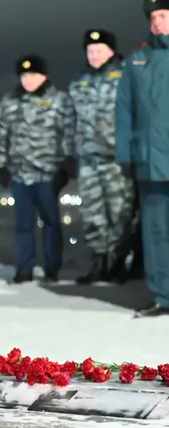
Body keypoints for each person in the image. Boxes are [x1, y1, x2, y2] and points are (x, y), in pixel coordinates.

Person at [0, 56, 72, 284]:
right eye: (24, 75)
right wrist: (0, 164)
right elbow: (0, 135)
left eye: (33, 75)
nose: (28, 80)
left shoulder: (58, 100)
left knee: (51, 223)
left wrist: (66, 164)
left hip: (48, 172)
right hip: (20, 173)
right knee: (23, 225)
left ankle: (52, 268)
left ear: (44, 76)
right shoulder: (9, 102)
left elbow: (67, 132)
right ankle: (24, 268)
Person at [66, 29, 134, 285]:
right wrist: (69, 153)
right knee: (92, 213)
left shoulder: (126, 76)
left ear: (111, 51)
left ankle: (119, 263)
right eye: (90, 50)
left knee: (120, 213)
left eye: (99, 50)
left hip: (116, 157)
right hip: (88, 158)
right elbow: (70, 120)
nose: (94, 55)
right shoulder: (79, 81)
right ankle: (99, 263)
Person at [116, 0, 169, 318]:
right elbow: (124, 111)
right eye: (152, 17)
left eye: (163, 15)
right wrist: (126, 154)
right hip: (150, 161)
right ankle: (163, 296)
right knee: (156, 232)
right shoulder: (137, 61)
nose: (156, 22)